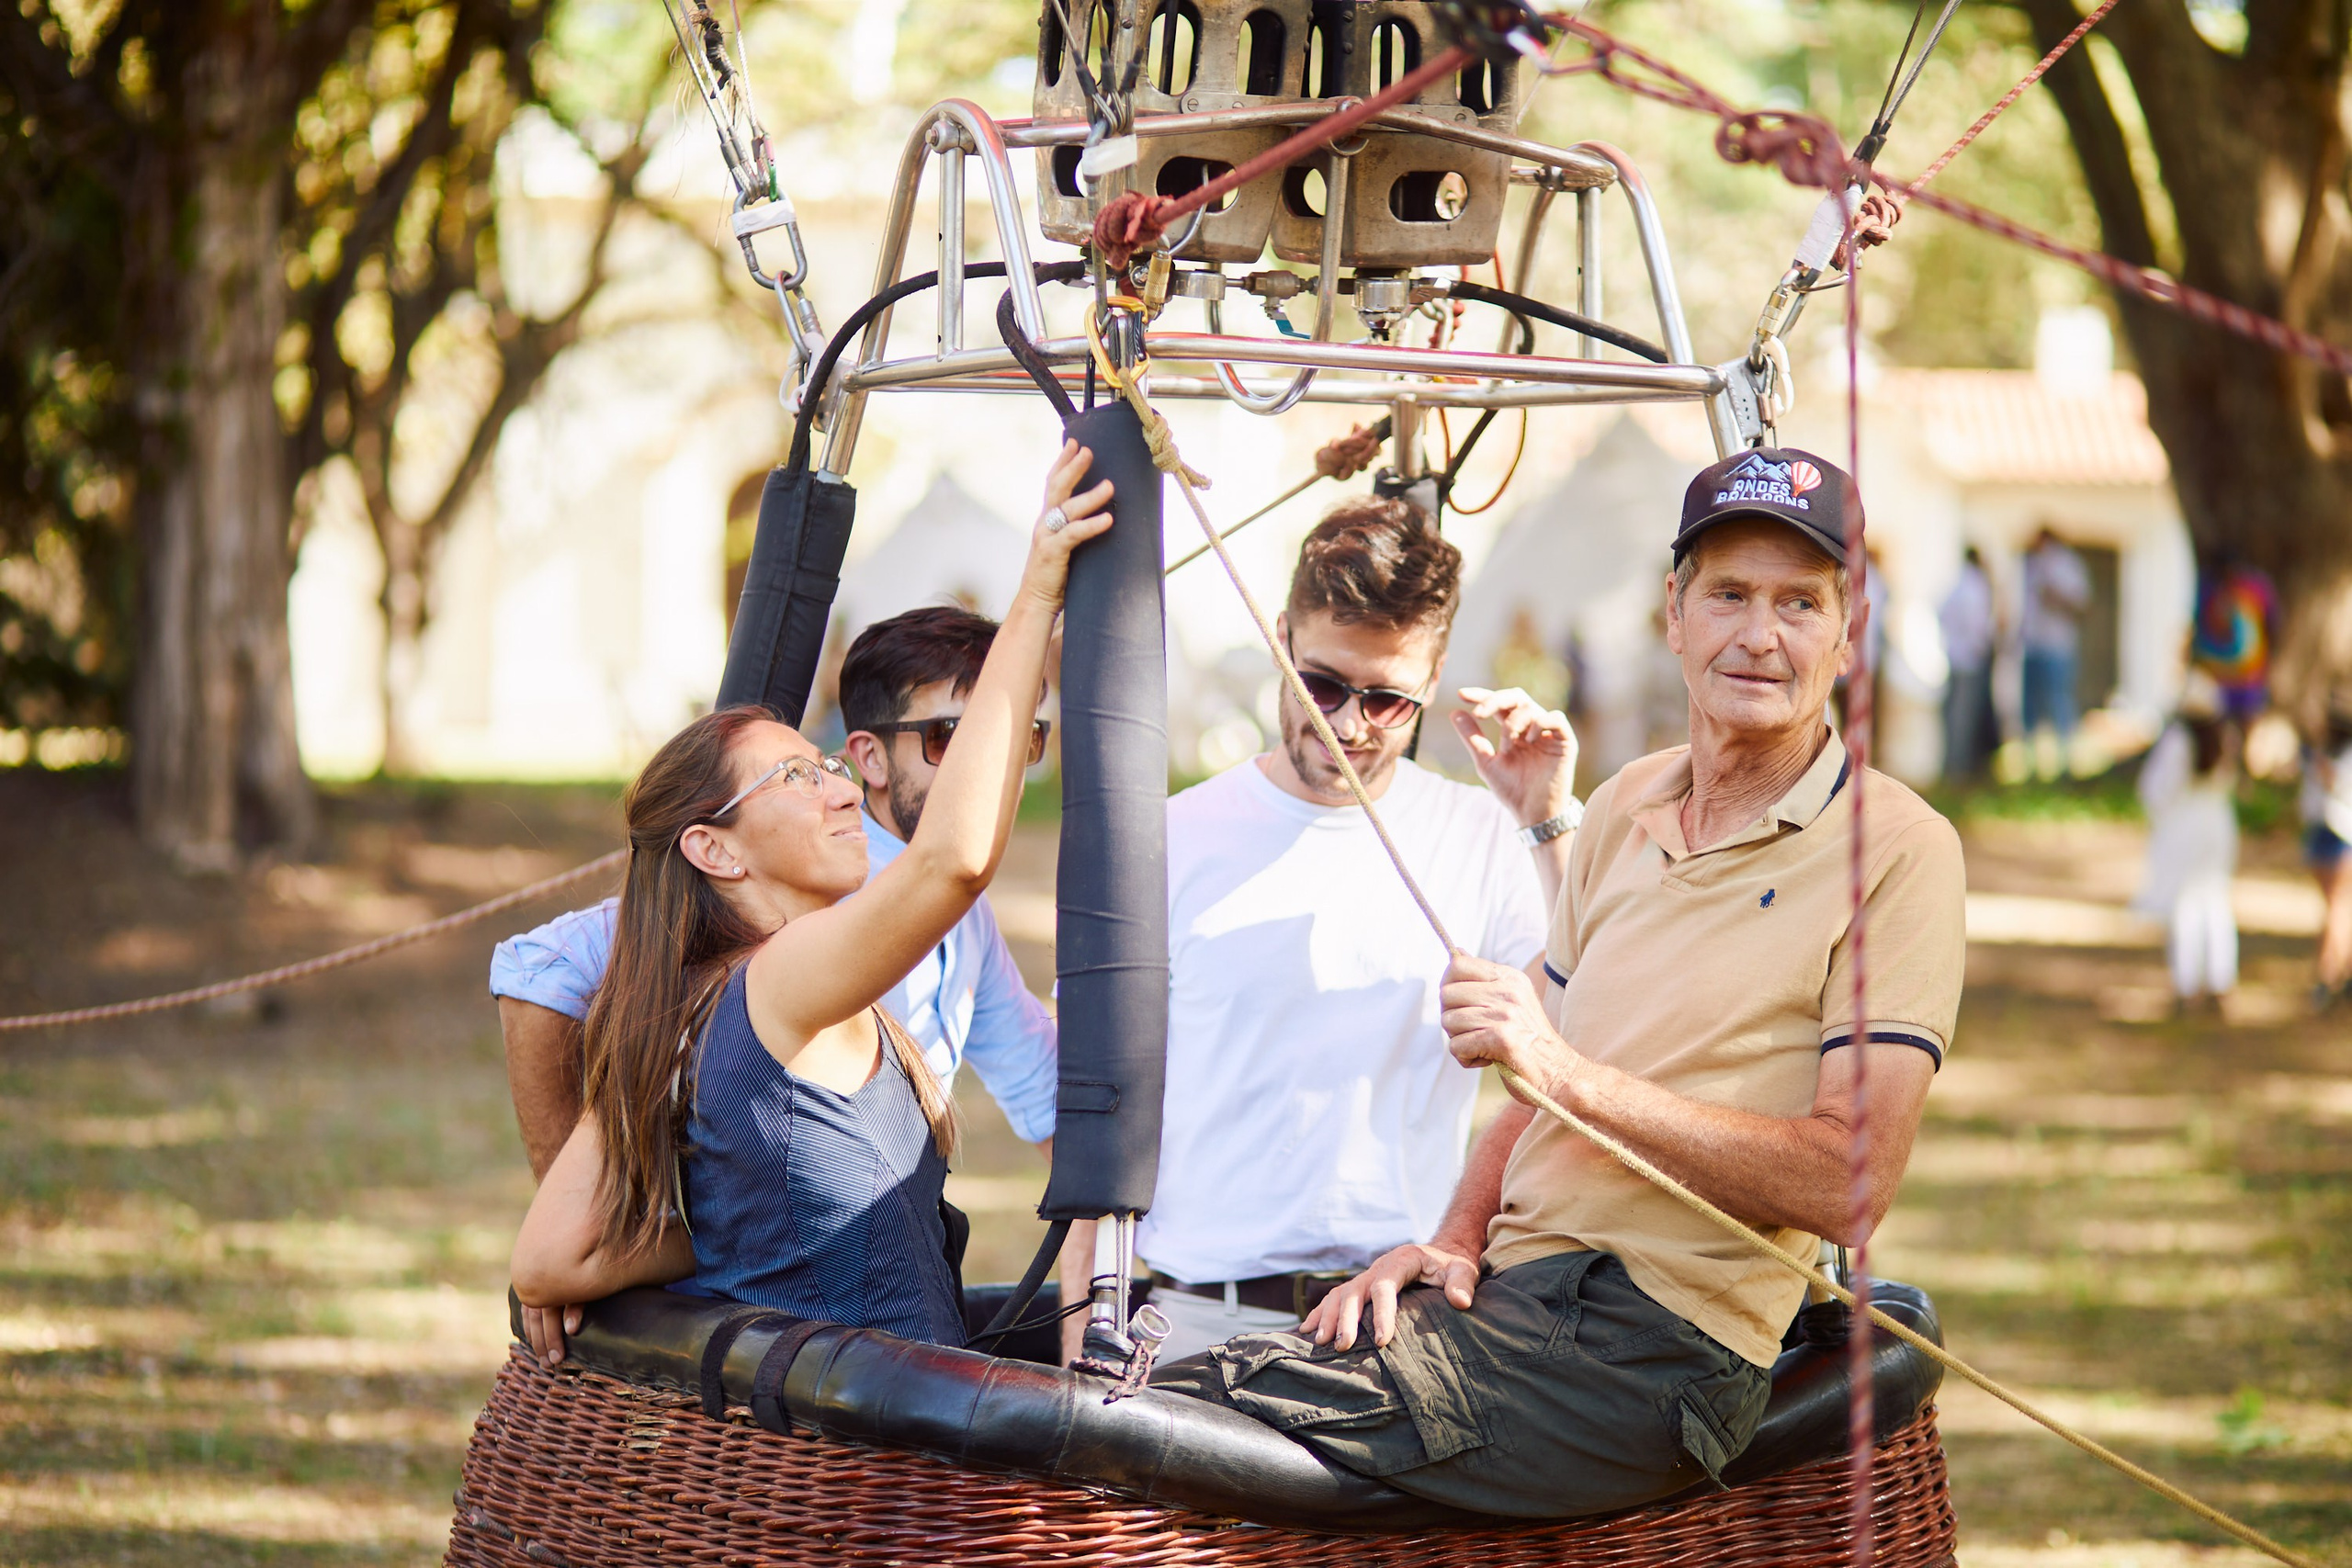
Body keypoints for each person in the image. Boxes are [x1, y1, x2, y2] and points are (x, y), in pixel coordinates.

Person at [1154, 446, 1965, 1520]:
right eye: (1727, 594)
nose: (1759, 635)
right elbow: (1545, 1074)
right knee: (1177, 1391)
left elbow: (1848, 1184)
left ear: (1846, 632)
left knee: (1176, 1411)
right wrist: (1450, 1238)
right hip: (1515, 1298)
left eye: (1798, 603)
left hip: (1654, 1342)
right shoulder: (1624, 803)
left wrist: (1556, 1069)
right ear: (1671, 613)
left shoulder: (1897, 847)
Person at [506, 444, 1113, 1358]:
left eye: (824, 764)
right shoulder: (779, 978)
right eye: (795, 777)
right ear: (712, 848)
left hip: (849, 1445)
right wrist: (1034, 596)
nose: (837, 791)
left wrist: (703, 1250)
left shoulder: (688, 1003)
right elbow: (952, 862)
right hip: (889, 1466)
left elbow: (547, 1261)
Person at [1094, 498, 1571, 1363]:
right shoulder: (1167, 837)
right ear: (1280, 636)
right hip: (1192, 1317)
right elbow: (1091, 1103)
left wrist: (1548, 823)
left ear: (1432, 683)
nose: (1347, 726)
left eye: (1387, 701)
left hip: (1397, 1319)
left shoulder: (1483, 833)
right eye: (1321, 685)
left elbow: (1590, 1025)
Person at [492, 604, 1063, 1179]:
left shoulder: (967, 917)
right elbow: (540, 965)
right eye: (954, 737)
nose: (995, 764)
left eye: (1019, 738)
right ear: (870, 757)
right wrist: (586, 1201)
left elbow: (1038, 1084)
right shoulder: (808, 877)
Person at [2133, 672, 2238, 1010]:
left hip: (2186, 827)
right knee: (2215, 901)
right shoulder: (2226, 736)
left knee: (2185, 905)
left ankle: (2187, 981)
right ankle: (2220, 979)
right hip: (2217, 825)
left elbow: (2157, 788)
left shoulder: (2179, 740)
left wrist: (2159, 816)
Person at [2020, 525, 2091, 770]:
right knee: (2031, 707)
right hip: (2033, 645)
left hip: (2058, 646)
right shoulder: (2030, 565)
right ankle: (2031, 763)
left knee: (2059, 702)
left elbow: (2081, 605)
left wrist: (2055, 597)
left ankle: (2065, 763)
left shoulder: (2067, 564)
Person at [2298, 696, 2352, 1010]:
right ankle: (2334, 973)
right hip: (2324, 835)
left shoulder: (2341, 760)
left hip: (2340, 834)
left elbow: (2336, 785)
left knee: (2337, 907)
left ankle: (2330, 974)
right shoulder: (2321, 757)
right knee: (2336, 907)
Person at [2188, 552, 2278, 723]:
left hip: (2249, 684)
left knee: (2245, 725)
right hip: (2216, 683)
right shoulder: (2206, 588)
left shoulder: (2256, 587)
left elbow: (2272, 625)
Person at [1939, 545, 1997, 780]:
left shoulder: (1957, 585)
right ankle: (1960, 768)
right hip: (1971, 659)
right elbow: (1978, 625)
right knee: (1964, 716)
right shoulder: (1976, 587)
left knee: (1954, 715)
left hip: (1955, 656)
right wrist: (1980, 647)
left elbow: (1942, 614)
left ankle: (1954, 764)